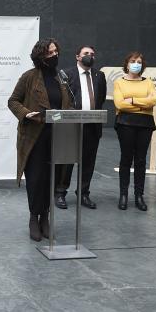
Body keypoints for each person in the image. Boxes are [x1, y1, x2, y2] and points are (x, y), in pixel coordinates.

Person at [8, 38, 74, 242]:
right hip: (35, 136)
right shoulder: (29, 77)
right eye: (50, 52)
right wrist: (26, 113)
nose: (55, 55)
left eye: (56, 51)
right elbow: (13, 101)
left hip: (58, 135)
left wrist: (71, 114)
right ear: (41, 56)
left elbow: (69, 103)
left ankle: (45, 217)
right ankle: (33, 218)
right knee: (36, 179)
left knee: (51, 178)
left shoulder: (61, 78)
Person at [54, 45, 107, 210]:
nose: (89, 56)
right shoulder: (66, 74)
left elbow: (101, 98)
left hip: (92, 125)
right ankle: (60, 192)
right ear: (77, 56)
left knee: (88, 161)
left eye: (92, 54)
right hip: (71, 125)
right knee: (67, 160)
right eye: (86, 54)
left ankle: (83, 193)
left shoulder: (100, 75)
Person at [113, 51, 156, 211]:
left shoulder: (148, 82)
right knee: (126, 159)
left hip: (145, 124)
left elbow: (153, 101)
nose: (136, 64)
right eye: (133, 61)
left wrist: (131, 100)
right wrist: (142, 104)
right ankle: (123, 195)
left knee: (140, 160)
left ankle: (139, 195)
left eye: (139, 61)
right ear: (127, 64)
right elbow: (119, 104)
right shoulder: (119, 82)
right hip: (125, 123)